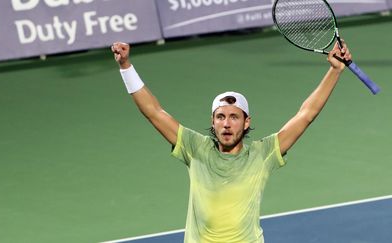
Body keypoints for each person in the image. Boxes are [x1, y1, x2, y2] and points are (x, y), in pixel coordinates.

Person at [111, 41, 351, 243]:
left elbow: (305, 115)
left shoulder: (262, 153)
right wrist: (125, 66)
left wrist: (335, 71)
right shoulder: (195, 148)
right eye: (221, 117)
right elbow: (154, 112)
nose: (227, 124)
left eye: (234, 117)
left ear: (246, 123)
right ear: (213, 122)